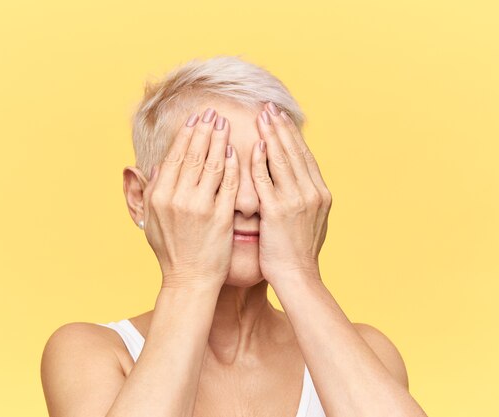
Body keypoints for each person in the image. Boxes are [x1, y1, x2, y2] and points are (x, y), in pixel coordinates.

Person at [40, 55, 428, 417]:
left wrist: (299, 272)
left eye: (271, 171)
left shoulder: (369, 353)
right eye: (211, 171)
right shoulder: (90, 353)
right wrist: (188, 279)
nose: (247, 201)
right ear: (140, 198)